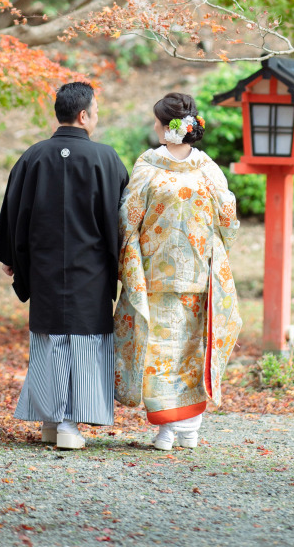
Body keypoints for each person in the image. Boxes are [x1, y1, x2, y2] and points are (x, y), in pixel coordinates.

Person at [0, 80, 128, 450]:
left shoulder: (33, 156)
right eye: (95, 111)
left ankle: (51, 422)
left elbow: (14, 213)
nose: (96, 117)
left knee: (50, 341)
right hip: (92, 271)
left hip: (45, 268)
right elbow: (121, 221)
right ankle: (68, 424)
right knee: (83, 343)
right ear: (83, 116)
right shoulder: (106, 159)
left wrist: (14, 259)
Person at [114, 92, 241, 451]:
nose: (153, 127)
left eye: (157, 122)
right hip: (198, 273)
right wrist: (212, 247)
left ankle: (176, 430)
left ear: (170, 128)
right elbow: (228, 218)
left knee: (167, 351)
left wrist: (131, 256)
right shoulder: (208, 170)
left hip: (158, 273)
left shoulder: (148, 167)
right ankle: (181, 429)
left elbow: (129, 219)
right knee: (184, 352)